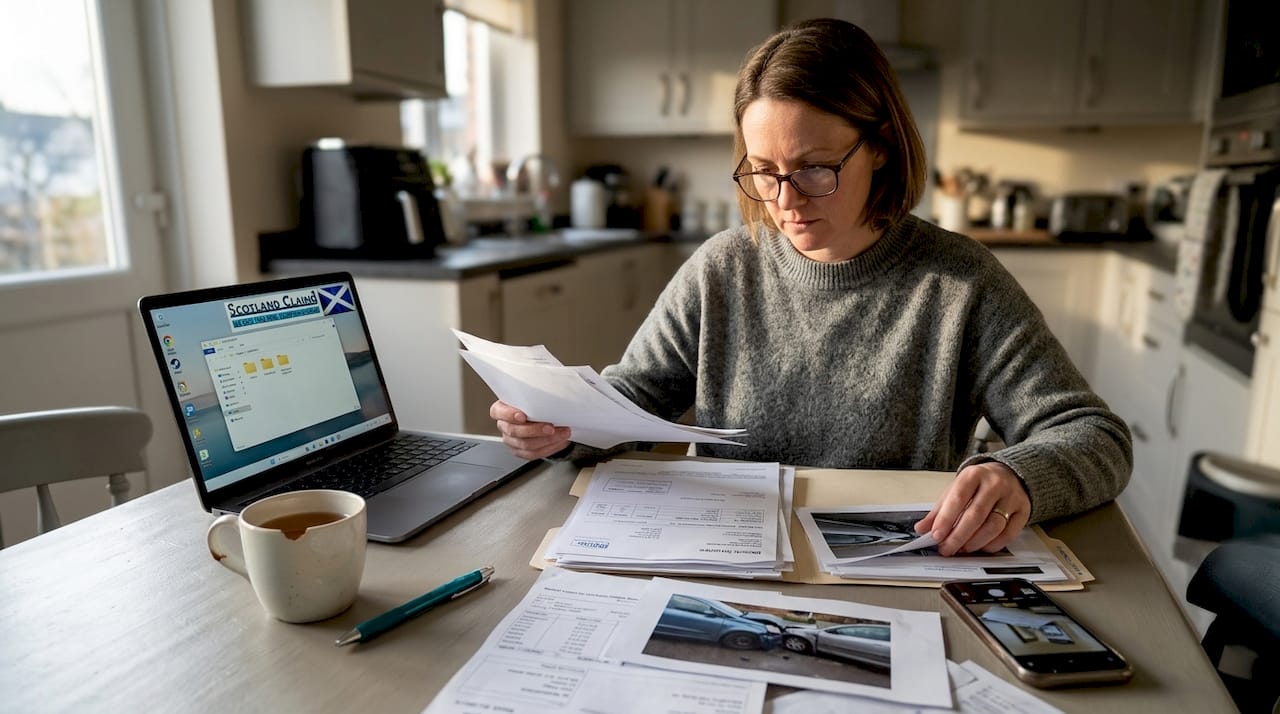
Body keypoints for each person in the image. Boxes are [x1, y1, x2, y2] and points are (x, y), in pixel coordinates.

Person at [490, 19, 1131, 558]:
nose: (786, 202)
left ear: (879, 147)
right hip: (728, 561)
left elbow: (1093, 435)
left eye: (815, 169)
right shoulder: (722, 268)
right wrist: (564, 425)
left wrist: (1018, 474)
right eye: (764, 172)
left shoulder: (960, 283)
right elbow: (631, 403)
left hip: (893, 565)